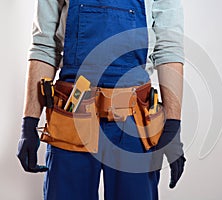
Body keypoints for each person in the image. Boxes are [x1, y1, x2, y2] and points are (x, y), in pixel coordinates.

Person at [17, 0, 186, 199]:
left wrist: (173, 126)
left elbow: (168, 50)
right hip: (71, 118)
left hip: (135, 125)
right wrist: (29, 123)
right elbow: (43, 46)